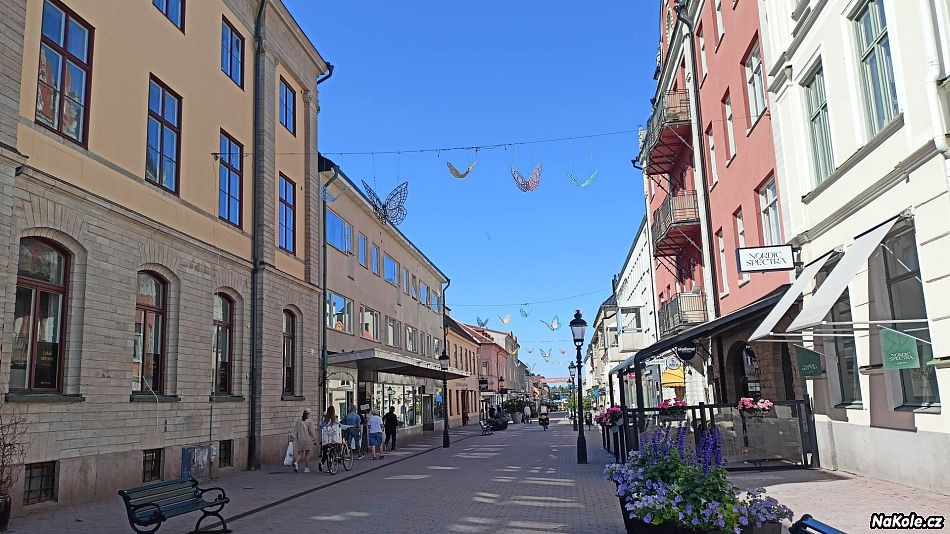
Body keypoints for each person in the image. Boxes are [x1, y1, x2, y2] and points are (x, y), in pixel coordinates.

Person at [289, 408, 317, 473]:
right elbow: (312, 431)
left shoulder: (298, 421)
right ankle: (306, 468)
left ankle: (296, 462)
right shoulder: (310, 421)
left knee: (300, 453)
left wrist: (293, 437)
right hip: (307, 439)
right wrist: (314, 439)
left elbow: (295, 431)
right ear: (308, 414)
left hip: (300, 439)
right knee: (307, 454)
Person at [319, 406, 342, 472]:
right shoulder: (335, 418)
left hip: (325, 439)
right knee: (332, 452)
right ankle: (330, 467)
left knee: (325, 453)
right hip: (332, 439)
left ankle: (321, 463)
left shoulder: (324, 418)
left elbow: (320, 426)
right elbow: (338, 426)